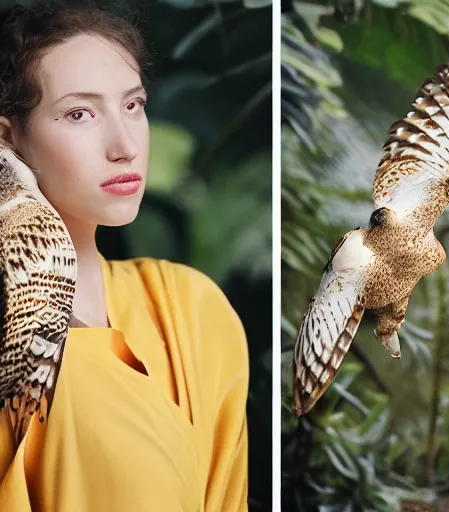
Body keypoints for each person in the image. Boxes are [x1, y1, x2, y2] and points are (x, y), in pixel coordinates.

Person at [0, 4, 249, 511]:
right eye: (79, 113)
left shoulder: (192, 305)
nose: (125, 146)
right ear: (8, 139)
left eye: (133, 106)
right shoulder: (12, 336)